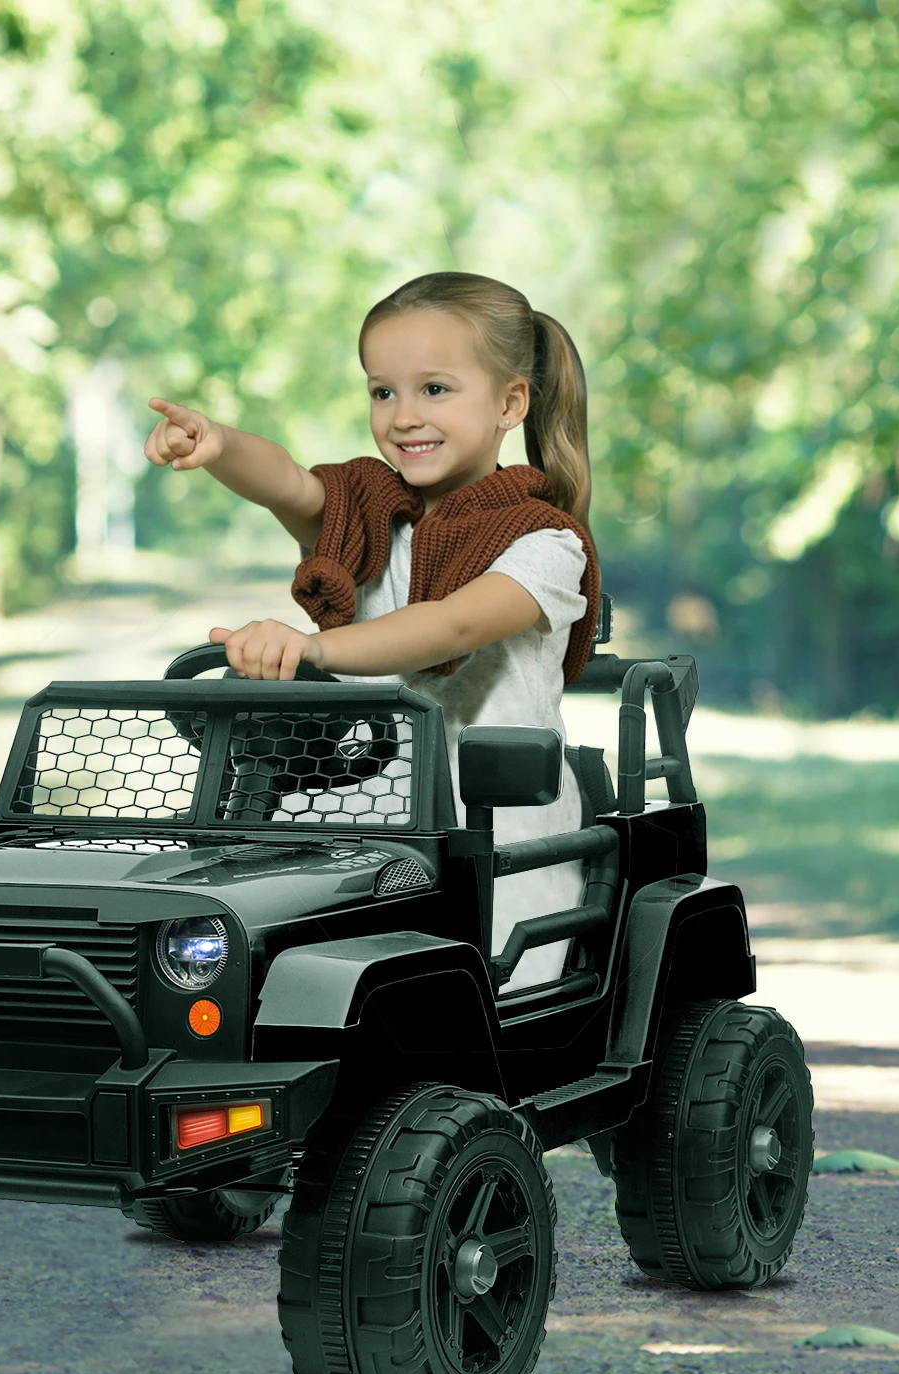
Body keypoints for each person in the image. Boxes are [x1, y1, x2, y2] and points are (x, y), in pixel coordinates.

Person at [142, 271, 600, 989]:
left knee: (465, 988)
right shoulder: (366, 514)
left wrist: (312, 649)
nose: (404, 415)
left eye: (435, 389)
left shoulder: (544, 545)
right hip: (353, 823)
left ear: (511, 401)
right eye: (383, 391)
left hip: (492, 834)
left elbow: (448, 627)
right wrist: (221, 444)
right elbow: (289, 482)